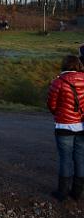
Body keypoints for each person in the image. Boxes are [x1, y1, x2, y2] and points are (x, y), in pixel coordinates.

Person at [47, 55, 84, 201]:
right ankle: (77, 192)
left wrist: (59, 114)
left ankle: (62, 193)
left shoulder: (58, 82)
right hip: (82, 126)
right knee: (80, 158)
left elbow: (51, 104)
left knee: (65, 159)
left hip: (64, 126)